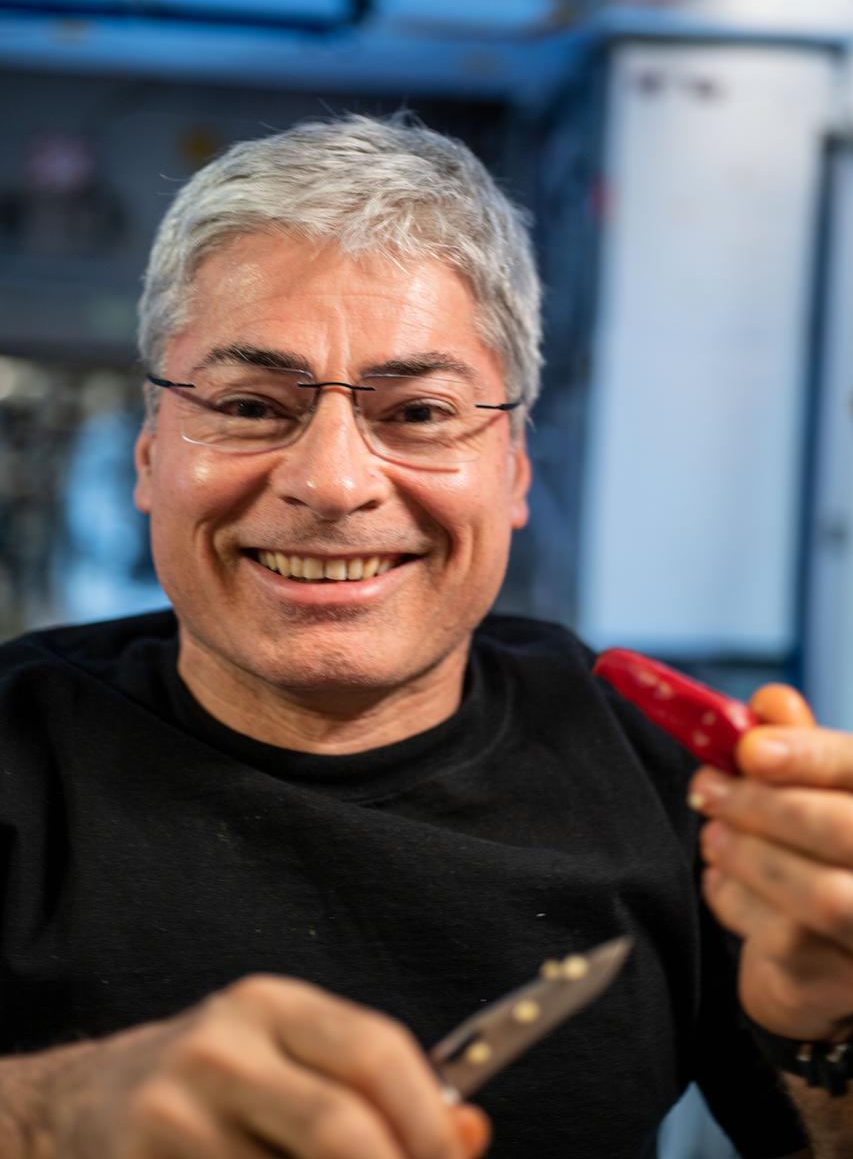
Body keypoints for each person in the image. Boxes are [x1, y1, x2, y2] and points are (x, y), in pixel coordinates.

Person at [0, 114, 850, 1158]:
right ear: (146, 454)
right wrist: (45, 1113)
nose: (333, 482)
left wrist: (821, 1024)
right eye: (253, 403)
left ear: (516, 468)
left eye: (416, 414)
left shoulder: (667, 778)